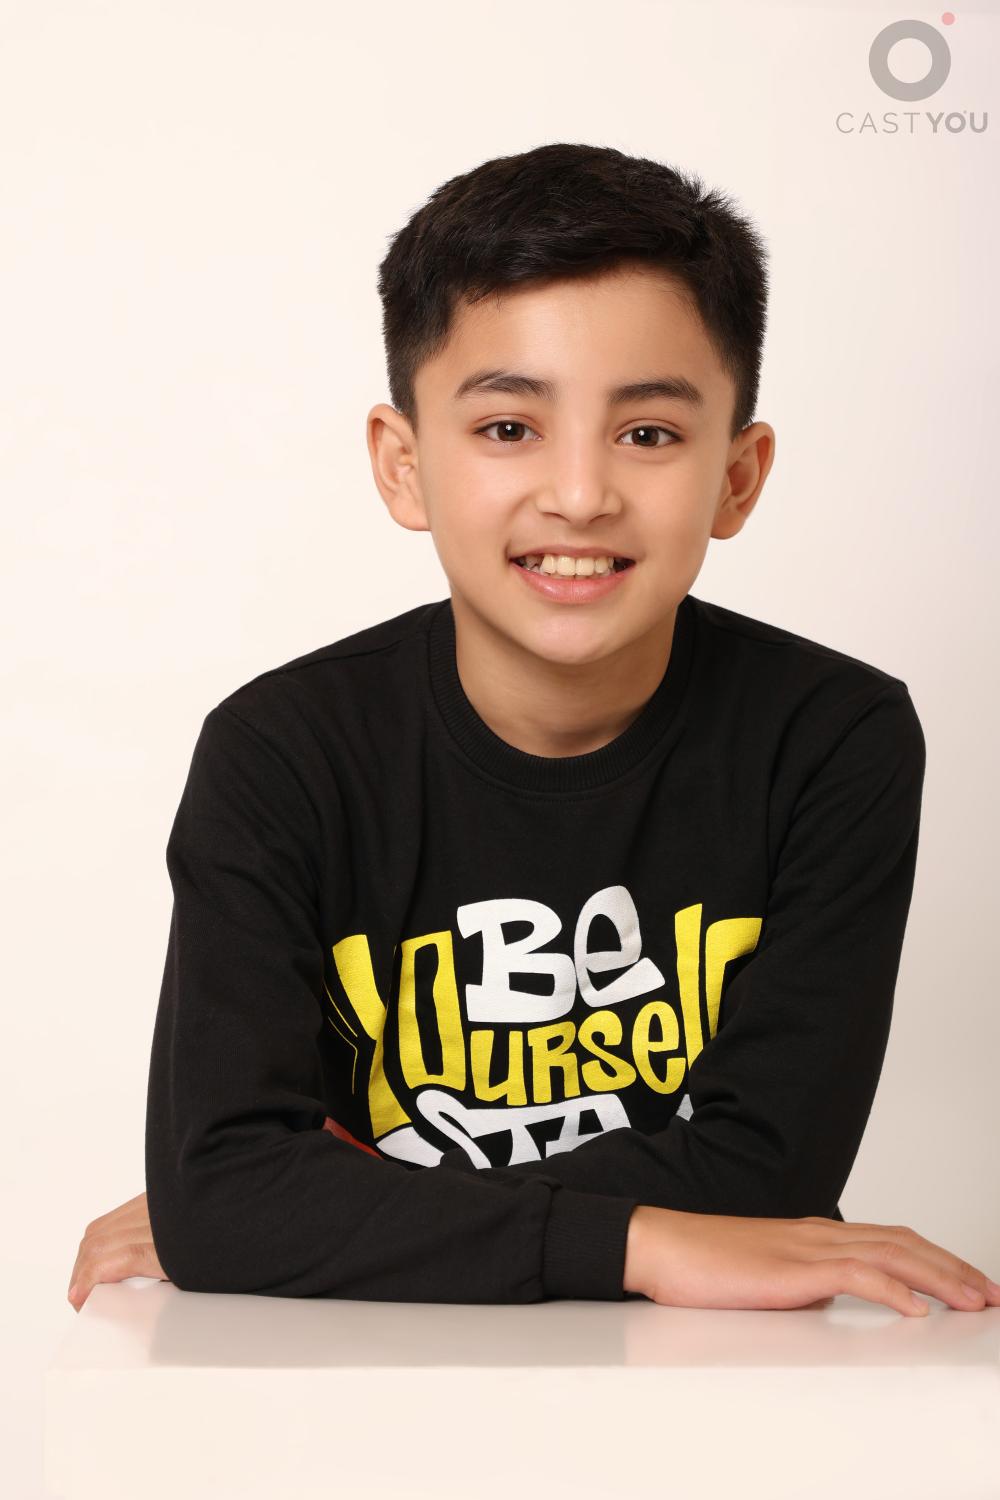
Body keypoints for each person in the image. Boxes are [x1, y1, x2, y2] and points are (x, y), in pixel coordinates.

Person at [68, 142, 999, 1317]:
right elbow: (225, 1196)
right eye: (508, 428)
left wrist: (334, 1204)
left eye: (647, 434)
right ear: (403, 466)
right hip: (357, 1378)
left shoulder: (830, 740)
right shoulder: (281, 755)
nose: (579, 494)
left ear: (737, 476)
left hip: (707, 1386)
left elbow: (770, 1175)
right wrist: (646, 1240)